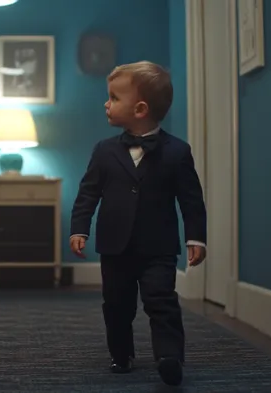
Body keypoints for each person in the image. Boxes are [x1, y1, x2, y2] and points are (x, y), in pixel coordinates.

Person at [69, 61, 207, 387]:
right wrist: (79, 227)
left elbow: (191, 200)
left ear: (140, 108)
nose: (106, 103)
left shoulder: (177, 152)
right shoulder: (103, 151)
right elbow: (87, 193)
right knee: (117, 304)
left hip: (158, 246)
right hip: (114, 246)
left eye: (114, 98)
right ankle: (121, 353)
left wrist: (196, 238)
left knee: (161, 300)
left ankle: (169, 356)